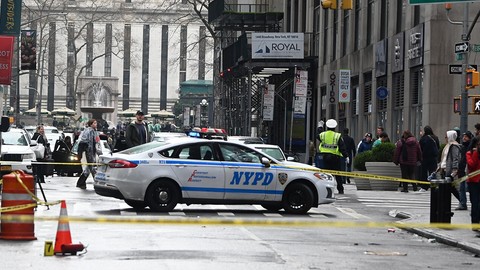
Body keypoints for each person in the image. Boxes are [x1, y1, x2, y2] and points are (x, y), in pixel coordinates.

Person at [318, 119, 348, 194]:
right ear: (335, 127)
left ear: (327, 126)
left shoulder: (323, 135)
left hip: (325, 157)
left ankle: (325, 189)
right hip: (335, 158)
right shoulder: (337, 136)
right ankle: (340, 189)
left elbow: (318, 135)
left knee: (325, 174)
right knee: (338, 174)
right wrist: (346, 156)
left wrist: (320, 127)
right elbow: (342, 147)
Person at [437, 130, 462, 203]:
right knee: (448, 188)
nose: (445, 138)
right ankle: (446, 203)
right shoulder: (447, 146)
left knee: (450, 188)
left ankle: (461, 200)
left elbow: (455, 158)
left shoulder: (454, 146)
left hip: (449, 170)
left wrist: (454, 170)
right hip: (444, 169)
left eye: (447, 136)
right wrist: (439, 167)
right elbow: (444, 158)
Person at [76, 119, 101, 189]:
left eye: (96, 123)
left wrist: (99, 151)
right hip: (89, 151)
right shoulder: (88, 131)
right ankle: (97, 182)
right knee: (91, 167)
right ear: (91, 124)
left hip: (93, 151)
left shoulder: (95, 132)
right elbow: (83, 141)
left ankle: (81, 182)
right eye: (94, 123)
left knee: (89, 168)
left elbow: (97, 142)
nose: (96, 124)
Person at [418, 126, 440, 192]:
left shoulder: (423, 138)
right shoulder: (435, 138)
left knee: (424, 172)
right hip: (433, 158)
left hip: (425, 158)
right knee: (433, 172)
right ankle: (434, 185)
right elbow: (438, 147)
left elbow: (420, 148)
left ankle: (424, 186)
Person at [465, 136, 480, 233]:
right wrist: (475, 153)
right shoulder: (470, 153)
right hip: (473, 182)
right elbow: (472, 165)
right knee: (475, 203)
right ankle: (475, 223)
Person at [457, 131, 474, 210]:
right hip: (462, 170)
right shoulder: (463, 147)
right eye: (464, 136)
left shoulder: (470, 147)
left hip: (467, 170)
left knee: (469, 188)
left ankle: (471, 203)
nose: (464, 138)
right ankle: (463, 203)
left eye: (466, 137)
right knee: (462, 188)